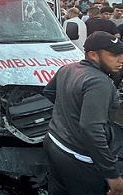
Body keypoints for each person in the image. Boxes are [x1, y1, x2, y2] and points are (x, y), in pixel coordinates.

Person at [43, 31, 123, 194]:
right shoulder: (99, 82)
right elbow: (91, 130)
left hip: (54, 142)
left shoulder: (68, 68)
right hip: (79, 157)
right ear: (93, 55)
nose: (121, 60)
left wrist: (71, 112)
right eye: (114, 55)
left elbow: (50, 92)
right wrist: (112, 176)